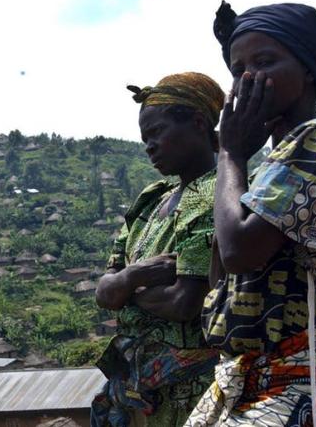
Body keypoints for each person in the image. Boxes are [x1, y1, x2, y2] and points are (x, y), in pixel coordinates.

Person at [186, 2, 316, 427]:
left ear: (308, 69)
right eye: (238, 70)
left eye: (265, 61)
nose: (249, 77)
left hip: (308, 370)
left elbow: (238, 251)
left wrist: (231, 153)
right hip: (254, 370)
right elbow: (225, 272)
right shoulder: (269, 165)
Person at [92, 72, 225, 426]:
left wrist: (125, 289)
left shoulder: (213, 194)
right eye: (144, 138)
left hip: (193, 394)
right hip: (142, 394)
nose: (149, 146)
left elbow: (185, 303)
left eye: (157, 133)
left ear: (198, 124)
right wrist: (135, 276)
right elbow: (103, 293)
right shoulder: (150, 202)